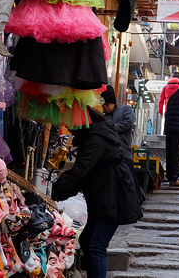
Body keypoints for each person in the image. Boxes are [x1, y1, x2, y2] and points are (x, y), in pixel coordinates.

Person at [51, 107, 141, 278]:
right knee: (87, 240)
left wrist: (55, 191)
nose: (68, 127)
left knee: (96, 244)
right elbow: (84, 171)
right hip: (104, 195)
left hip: (112, 196)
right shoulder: (97, 133)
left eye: (70, 123)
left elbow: (82, 169)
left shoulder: (95, 138)